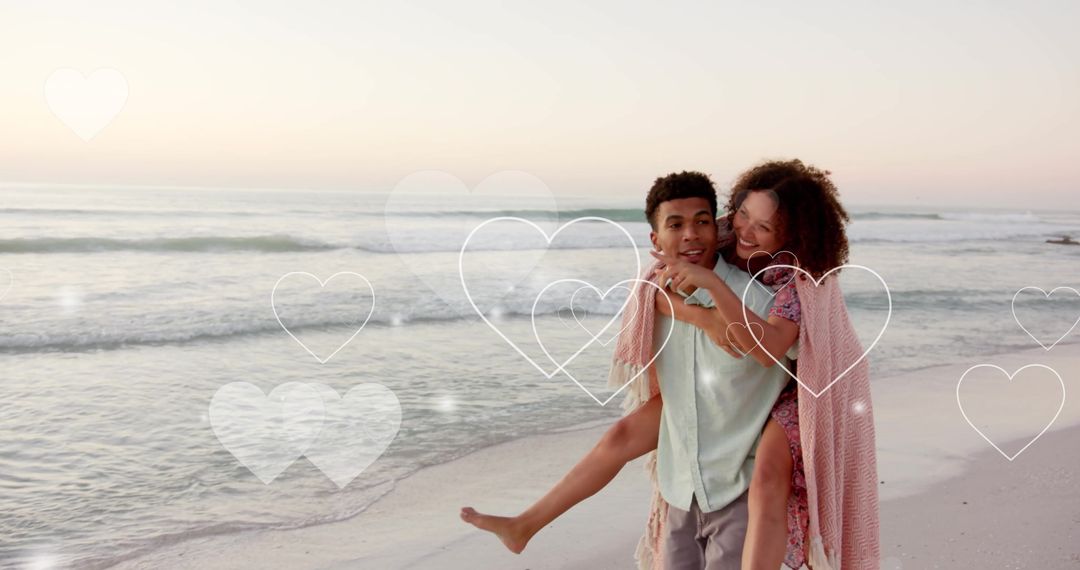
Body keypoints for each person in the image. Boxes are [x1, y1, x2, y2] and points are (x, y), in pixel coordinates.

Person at [462, 161, 878, 569]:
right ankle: (524, 525)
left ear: (791, 234)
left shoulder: (792, 285)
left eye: (763, 227)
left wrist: (713, 302)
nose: (747, 231)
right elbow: (664, 291)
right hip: (702, 411)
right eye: (742, 217)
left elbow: (764, 344)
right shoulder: (677, 271)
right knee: (620, 435)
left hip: (787, 397)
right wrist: (699, 311)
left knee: (768, 480)